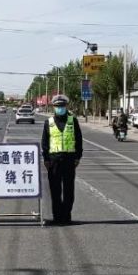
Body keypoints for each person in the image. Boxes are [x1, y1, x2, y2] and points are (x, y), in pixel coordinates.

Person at [40, 94, 83, 225]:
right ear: (54, 107)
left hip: (69, 160)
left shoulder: (73, 121)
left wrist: (78, 157)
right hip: (54, 161)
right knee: (55, 190)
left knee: (69, 190)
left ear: (66, 106)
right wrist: (46, 159)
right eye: (58, 106)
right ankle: (57, 216)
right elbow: (45, 142)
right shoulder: (49, 122)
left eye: (62, 106)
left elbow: (79, 140)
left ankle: (66, 215)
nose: (60, 108)